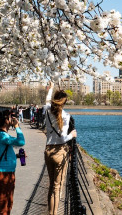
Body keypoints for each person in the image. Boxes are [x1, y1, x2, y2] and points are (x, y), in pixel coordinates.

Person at [43, 84, 77, 215]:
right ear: (64, 102)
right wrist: (72, 135)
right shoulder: (65, 116)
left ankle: (50, 212)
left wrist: (50, 88)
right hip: (59, 152)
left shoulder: (46, 110)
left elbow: (46, 101)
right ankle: (53, 213)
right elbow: (63, 138)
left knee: (52, 185)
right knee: (57, 188)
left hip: (48, 151)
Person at [0, 109, 25, 215]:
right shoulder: (2, 136)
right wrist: (17, 127)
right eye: (10, 117)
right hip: (3, 175)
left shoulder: (3, 135)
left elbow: (2, 153)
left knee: (7, 205)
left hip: (8, 174)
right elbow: (21, 142)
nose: (13, 119)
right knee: (3, 208)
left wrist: (17, 156)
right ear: (6, 121)